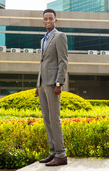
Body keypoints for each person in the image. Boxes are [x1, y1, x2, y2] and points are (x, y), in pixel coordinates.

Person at [35, 8, 68, 166]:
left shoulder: (60, 36)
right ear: (43, 21)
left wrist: (59, 83)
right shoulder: (43, 39)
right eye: (45, 19)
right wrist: (38, 84)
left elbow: (63, 61)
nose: (48, 21)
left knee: (55, 119)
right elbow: (43, 63)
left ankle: (61, 154)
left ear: (56, 20)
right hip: (42, 83)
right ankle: (53, 152)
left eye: (51, 18)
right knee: (47, 119)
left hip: (53, 84)